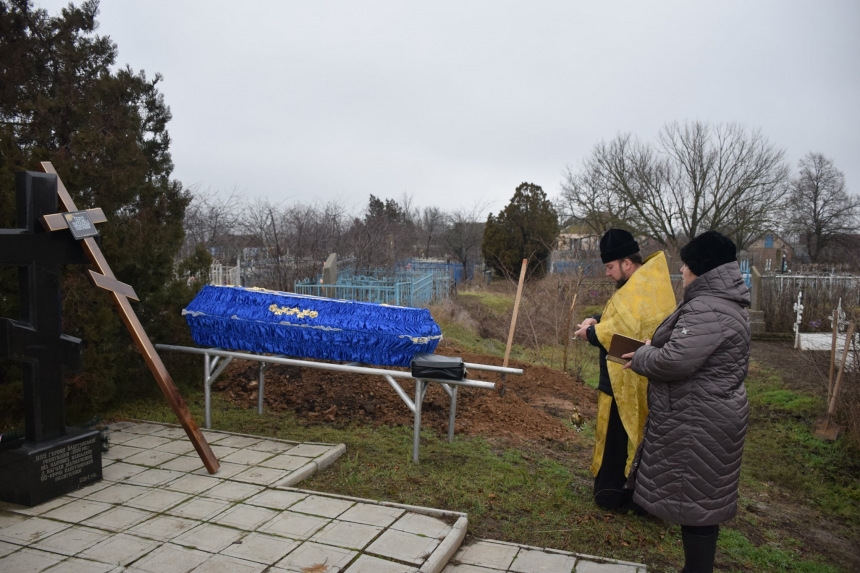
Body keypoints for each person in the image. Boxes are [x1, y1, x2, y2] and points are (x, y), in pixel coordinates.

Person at [622, 231, 750, 573]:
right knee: (700, 503)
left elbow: (674, 362)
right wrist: (657, 347)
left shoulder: (707, 308)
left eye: (686, 265)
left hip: (699, 422)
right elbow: (688, 351)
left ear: (701, 269)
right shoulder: (719, 303)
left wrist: (644, 355)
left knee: (697, 506)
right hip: (708, 416)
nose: (681, 271)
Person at [573, 229, 675, 511]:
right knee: (619, 438)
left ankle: (616, 497)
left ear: (626, 263)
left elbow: (623, 333)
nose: (607, 273)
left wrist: (592, 334)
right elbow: (618, 321)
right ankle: (619, 494)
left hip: (628, 380)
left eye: (609, 267)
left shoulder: (639, 290)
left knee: (621, 441)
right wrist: (595, 320)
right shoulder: (642, 284)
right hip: (625, 376)